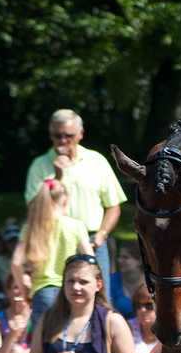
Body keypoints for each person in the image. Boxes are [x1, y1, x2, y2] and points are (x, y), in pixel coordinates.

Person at [24, 109, 125, 300]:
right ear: (50, 135)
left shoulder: (96, 161)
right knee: (55, 299)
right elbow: (33, 208)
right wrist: (57, 177)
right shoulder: (40, 164)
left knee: (100, 299)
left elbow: (113, 205)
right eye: (57, 135)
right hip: (53, 242)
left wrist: (103, 234)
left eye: (68, 135)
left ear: (80, 134)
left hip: (92, 240)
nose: (63, 140)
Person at [11, 178, 93, 331]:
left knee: (41, 348)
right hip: (70, 292)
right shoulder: (76, 226)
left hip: (41, 292)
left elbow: (16, 263)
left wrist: (24, 290)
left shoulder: (30, 227)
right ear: (65, 200)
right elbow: (91, 259)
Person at [109, 241, 146, 319]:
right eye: (120, 257)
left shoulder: (151, 283)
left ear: (140, 260)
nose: (119, 260)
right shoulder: (111, 280)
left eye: (125, 257)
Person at [127, 282, 158, 353]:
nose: (142, 310)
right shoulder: (127, 328)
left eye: (149, 305)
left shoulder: (170, 331)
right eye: (138, 305)